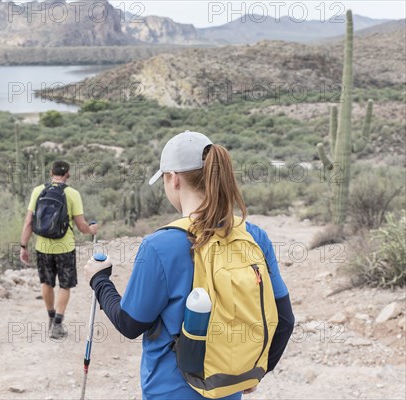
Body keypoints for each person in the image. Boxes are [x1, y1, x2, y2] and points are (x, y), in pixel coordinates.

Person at [84, 131, 295, 399]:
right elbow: (285, 320)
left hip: (169, 391)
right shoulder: (253, 236)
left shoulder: (159, 246)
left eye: (163, 179)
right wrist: (254, 373)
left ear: (174, 178)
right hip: (226, 388)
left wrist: (100, 281)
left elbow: (129, 323)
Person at [20, 160, 98, 339]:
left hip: (42, 246)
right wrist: (92, 229)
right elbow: (81, 225)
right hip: (65, 247)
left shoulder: (38, 191)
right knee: (65, 285)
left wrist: (23, 246)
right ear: (67, 174)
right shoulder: (72, 194)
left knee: (46, 283)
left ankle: (50, 317)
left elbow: (28, 222)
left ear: (51, 172)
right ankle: (57, 324)